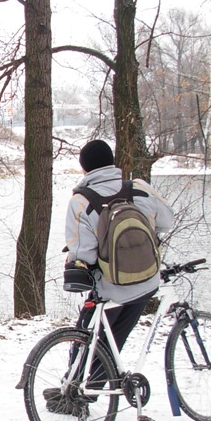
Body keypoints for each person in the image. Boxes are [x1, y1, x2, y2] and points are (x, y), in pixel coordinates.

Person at [65, 139, 175, 353]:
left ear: (84, 168)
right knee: (114, 346)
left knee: (84, 350)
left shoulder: (81, 202)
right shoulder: (139, 188)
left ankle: (85, 373)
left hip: (111, 289)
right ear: (111, 162)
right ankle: (110, 372)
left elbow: (84, 255)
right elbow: (167, 221)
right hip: (146, 282)